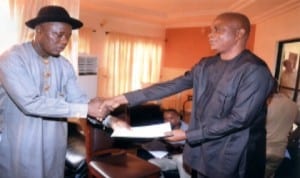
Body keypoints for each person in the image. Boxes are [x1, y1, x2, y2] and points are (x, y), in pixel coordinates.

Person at [97, 12, 275, 178]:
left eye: (218, 30)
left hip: (232, 156)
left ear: (239, 34)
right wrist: (120, 99)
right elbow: (171, 85)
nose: (210, 34)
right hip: (202, 152)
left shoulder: (254, 71)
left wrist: (189, 135)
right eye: (211, 29)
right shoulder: (206, 65)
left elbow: (239, 119)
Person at [0, 5, 121, 178]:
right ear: (39, 30)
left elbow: (78, 99)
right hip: (21, 142)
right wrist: (86, 108)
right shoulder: (11, 58)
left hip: (54, 143)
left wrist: (110, 120)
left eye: (68, 36)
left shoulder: (64, 65)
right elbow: (31, 103)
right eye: (58, 34)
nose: (64, 41)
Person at [265, 81, 300, 178]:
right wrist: (292, 137)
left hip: (262, 148)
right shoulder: (293, 106)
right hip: (279, 152)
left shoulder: (266, 102)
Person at [144, 109, 190, 178]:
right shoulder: (162, 129)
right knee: (151, 162)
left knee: (181, 158)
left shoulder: (188, 129)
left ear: (178, 118)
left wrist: (175, 146)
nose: (168, 121)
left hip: (184, 160)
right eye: (165, 119)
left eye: (171, 118)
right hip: (169, 158)